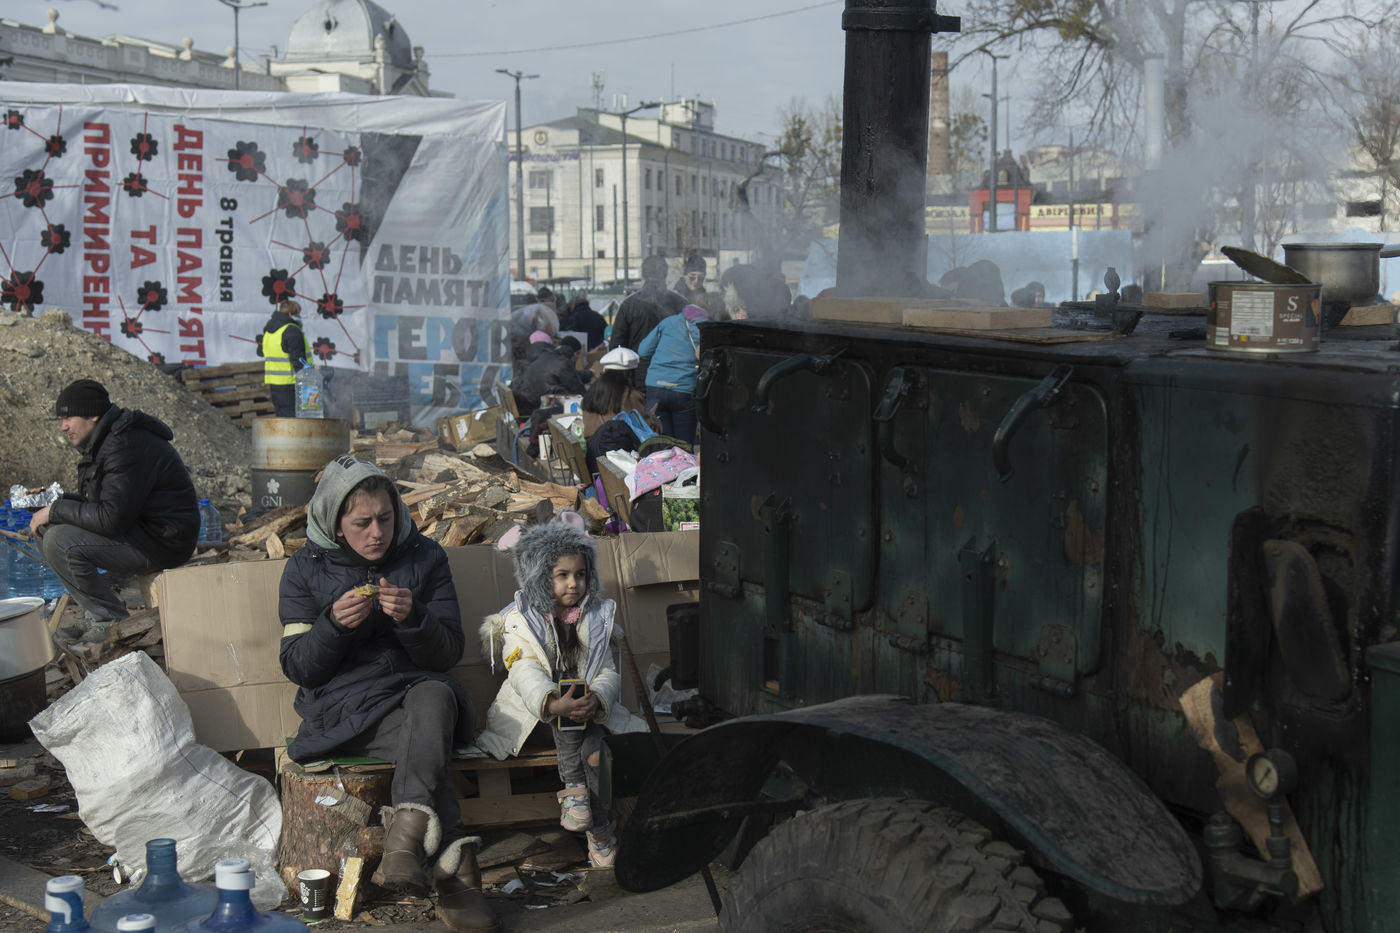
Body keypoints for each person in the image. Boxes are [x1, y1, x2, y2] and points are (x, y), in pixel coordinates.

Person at [277, 457, 496, 933]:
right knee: (427, 739)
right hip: (345, 708)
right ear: (336, 523)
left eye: (385, 518)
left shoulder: (425, 556)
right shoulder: (304, 569)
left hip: (416, 691)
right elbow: (298, 668)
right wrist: (332, 627)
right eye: (362, 523)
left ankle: (405, 840)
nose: (376, 533)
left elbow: (447, 653)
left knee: (435, 696)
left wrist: (414, 618)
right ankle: (455, 874)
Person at [475, 521, 646, 868]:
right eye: (562, 575)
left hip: (587, 714)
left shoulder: (594, 617)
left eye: (580, 574)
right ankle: (575, 791)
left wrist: (597, 697)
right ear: (540, 577)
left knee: (596, 754)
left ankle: (596, 826)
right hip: (534, 717)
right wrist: (553, 703)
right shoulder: (519, 621)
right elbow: (523, 671)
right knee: (565, 710)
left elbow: (607, 671)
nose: (573, 583)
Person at [30, 380, 198, 641]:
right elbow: (105, 504)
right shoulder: (106, 441)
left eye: (68, 418)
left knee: (58, 540)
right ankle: (95, 614)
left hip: (162, 542)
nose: (63, 427)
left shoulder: (125, 445)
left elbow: (111, 519)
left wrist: (57, 510)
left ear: (92, 415)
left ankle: (109, 621)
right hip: (141, 532)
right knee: (46, 530)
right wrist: (58, 507)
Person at [637, 297, 710, 446]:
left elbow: (643, 351)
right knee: (684, 445)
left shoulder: (668, 322)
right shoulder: (707, 328)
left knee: (660, 442)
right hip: (683, 390)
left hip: (656, 387)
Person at [609, 255, 686, 387]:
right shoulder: (681, 303)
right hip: (674, 377)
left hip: (639, 377)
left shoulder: (628, 305)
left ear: (643, 275)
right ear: (665, 274)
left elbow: (617, 347)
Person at [257, 299, 310, 418]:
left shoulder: (269, 331)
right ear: (291, 314)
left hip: (275, 385)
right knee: (294, 422)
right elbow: (298, 360)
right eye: (298, 314)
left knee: (282, 420)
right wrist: (309, 380)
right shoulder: (291, 330)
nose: (299, 317)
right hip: (291, 385)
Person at [512, 331, 586, 417]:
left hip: (528, 406)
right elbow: (578, 390)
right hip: (538, 411)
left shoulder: (533, 361)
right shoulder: (561, 363)